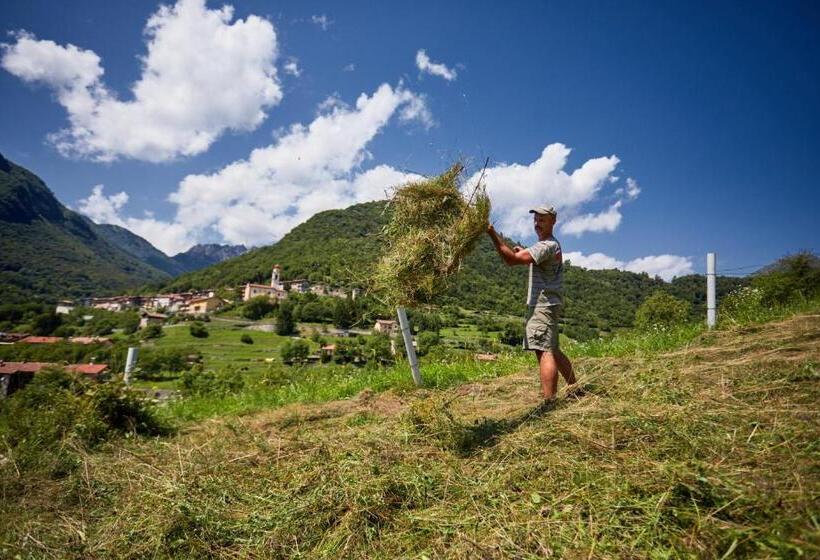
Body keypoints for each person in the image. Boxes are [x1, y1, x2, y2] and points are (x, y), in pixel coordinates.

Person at [487, 205, 576, 400]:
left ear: (553, 220)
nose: (537, 223)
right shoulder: (550, 245)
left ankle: (549, 402)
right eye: (535, 219)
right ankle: (574, 387)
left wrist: (491, 233)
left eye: (542, 219)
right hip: (550, 304)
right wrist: (523, 251)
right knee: (551, 348)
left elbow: (511, 260)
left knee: (544, 351)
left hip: (542, 306)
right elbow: (531, 257)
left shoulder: (546, 245)